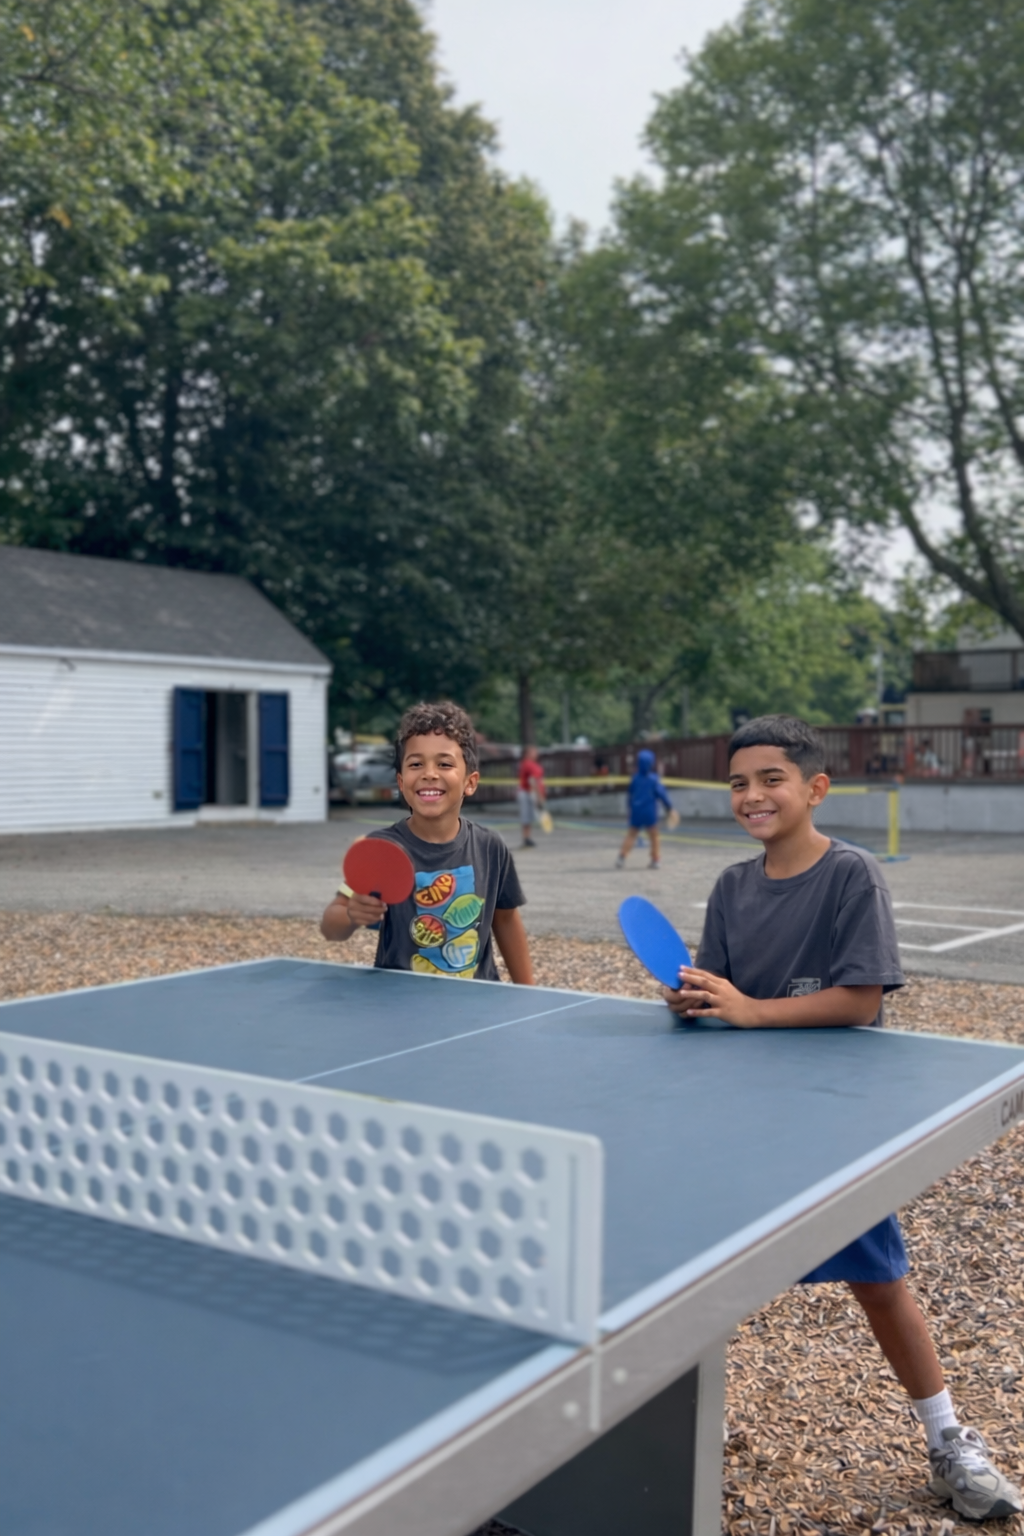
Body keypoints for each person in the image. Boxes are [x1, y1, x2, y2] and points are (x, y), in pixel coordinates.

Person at [664, 714, 1022, 1521]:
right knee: (697, 1274)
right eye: (738, 783)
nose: (752, 796)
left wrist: (751, 1010)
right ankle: (685, 1417)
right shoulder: (731, 887)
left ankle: (948, 1438)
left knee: (879, 1281)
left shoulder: (852, 875)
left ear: (816, 788)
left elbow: (860, 1001)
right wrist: (697, 997)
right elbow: (721, 991)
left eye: (771, 779)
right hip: (738, 1110)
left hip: (826, 1121)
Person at [321, 701, 534, 984]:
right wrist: (351, 914)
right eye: (416, 764)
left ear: (470, 782)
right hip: (400, 1000)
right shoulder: (382, 849)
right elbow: (331, 927)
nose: (429, 773)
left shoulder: (490, 847)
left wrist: (529, 992)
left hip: (475, 999)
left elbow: (505, 920)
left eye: (444, 763)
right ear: (401, 782)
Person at [616, 748, 673, 870]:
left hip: (636, 811)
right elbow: (662, 794)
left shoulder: (634, 779)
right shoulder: (654, 779)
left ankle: (622, 857)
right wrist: (669, 807)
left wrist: (629, 810)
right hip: (649, 812)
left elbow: (630, 796)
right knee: (654, 836)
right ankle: (655, 860)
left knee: (631, 835)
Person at [517, 745, 546, 848]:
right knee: (526, 816)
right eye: (534, 751)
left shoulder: (531, 764)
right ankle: (526, 838)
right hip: (527, 793)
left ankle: (527, 837)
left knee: (529, 816)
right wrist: (538, 796)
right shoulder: (528, 764)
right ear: (527, 753)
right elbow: (533, 781)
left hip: (529, 793)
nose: (536, 753)